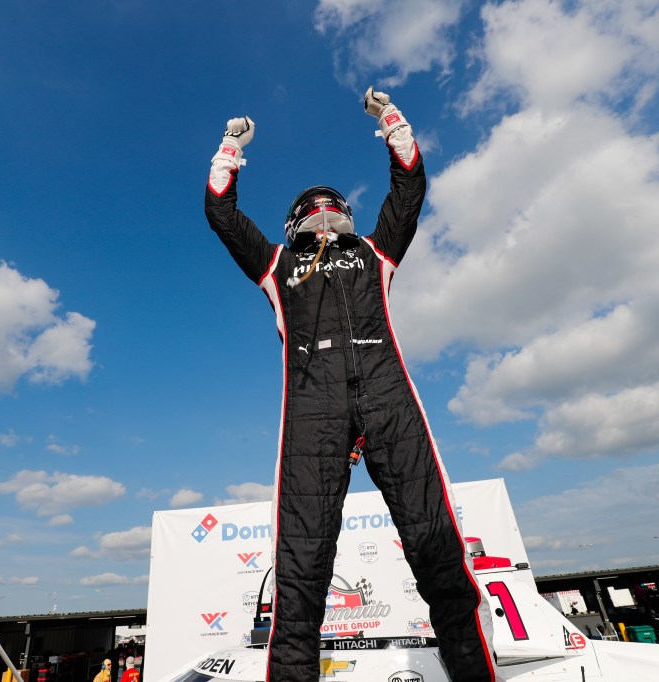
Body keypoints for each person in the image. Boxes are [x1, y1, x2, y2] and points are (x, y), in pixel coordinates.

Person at [204, 89, 498, 682]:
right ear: (296, 221)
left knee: (436, 543)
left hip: (389, 396)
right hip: (314, 409)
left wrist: (391, 120)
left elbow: (409, 189)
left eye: (329, 202)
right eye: (312, 205)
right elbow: (223, 215)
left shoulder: (374, 251)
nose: (322, 209)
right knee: (302, 561)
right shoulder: (278, 264)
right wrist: (230, 148)